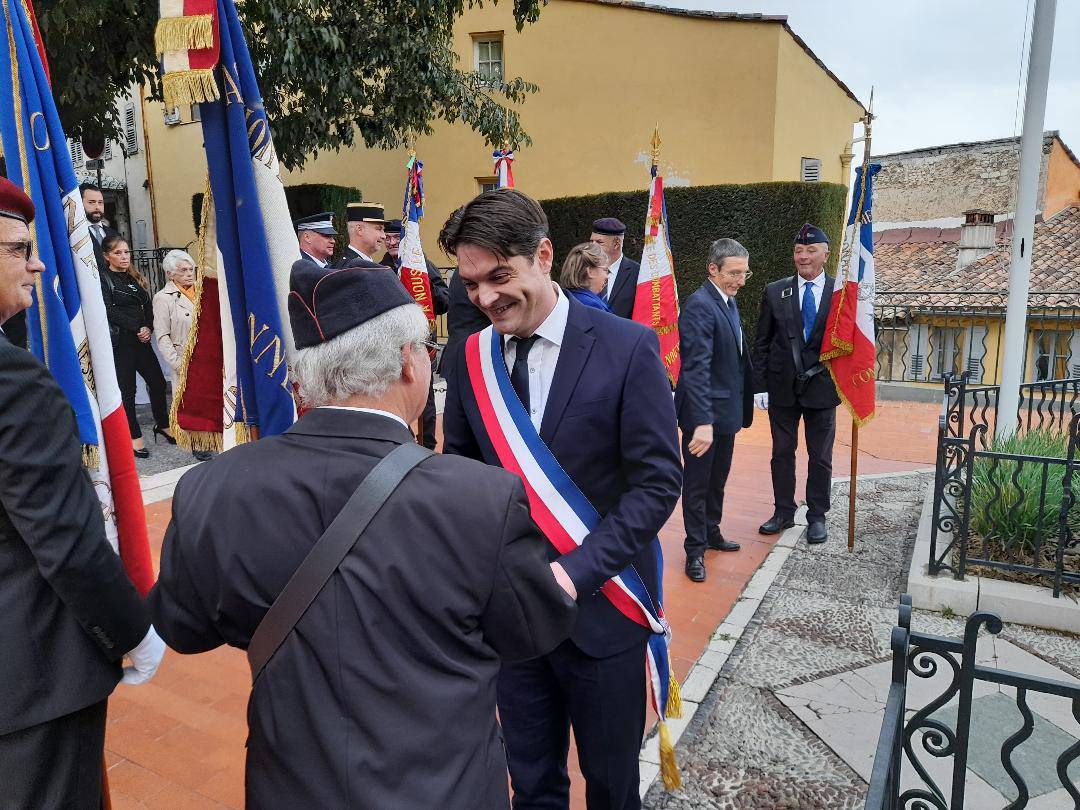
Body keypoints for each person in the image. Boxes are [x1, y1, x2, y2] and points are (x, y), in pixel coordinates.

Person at [150, 257, 577, 808]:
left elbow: (183, 628)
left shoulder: (210, 488)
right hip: (445, 792)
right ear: (408, 362)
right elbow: (530, 631)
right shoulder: (481, 499)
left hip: (292, 789)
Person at [441, 189, 682, 810]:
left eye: (499, 277)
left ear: (543, 256)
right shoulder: (469, 358)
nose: (485, 298)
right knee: (532, 783)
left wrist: (575, 573)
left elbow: (657, 482)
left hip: (606, 613)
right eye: (470, 284)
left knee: (610, 784)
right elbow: (462, 477)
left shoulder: (628, 345)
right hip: (514, 619)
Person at [0, 176, 164, 808]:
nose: (38, 262)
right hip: (29, 683)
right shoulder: (15, 382)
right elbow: (65, 540)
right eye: (19, 248)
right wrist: (134, 631)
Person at [752, 223, 840, 545]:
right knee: (782, 452)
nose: (803, 256)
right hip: (782, 388)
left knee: (820, 457)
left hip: (822, 388)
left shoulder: (840, 294)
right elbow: (762, 342)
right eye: (798, 251)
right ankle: (783, 512)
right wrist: (759, 386)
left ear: (825, 255)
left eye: (810, 250)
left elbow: (851, 343)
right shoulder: (776, 291)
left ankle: (817, 515)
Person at [674, 239, 754, 582]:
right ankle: (694, 550)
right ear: (713, 269)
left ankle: (711, 531)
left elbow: (733, 359)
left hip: (726, 413)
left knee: (717, 480)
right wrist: (703, 423)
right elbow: (697, 368)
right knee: (697, 484)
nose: (740, 280)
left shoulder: (727, 301)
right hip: (702, 418)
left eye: (744, 273)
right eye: (734, 273)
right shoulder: (699, 305)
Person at [380, 218, 450, 450]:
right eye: (387, 238)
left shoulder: (422, 266)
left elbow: (444, 300)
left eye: (396, 238)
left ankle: (427, 444)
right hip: (389, 346)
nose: (391, 242)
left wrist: (423, 290)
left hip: (420, 345)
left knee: (426, 399)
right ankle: (402, 441)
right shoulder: (380, 269)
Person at [99, 234, 171, 457]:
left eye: (126, 252)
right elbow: (109, 310)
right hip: (123, 342)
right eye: (118, 253)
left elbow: (147, 306)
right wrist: (137, 328)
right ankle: (134, 436)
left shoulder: (134, 278)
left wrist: (148, 327)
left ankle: (162, 424)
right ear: (107, 256)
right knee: (128, 391)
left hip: (142, 340)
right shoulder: (105, 278)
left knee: (158, 383)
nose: (124, 257)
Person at [152, 249, 212, 462]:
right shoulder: (163, 298)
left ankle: (215, 437)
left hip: (209, 355)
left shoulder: (203, 291)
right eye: (183, 270)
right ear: (170, 274)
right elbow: (162, 336)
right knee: (191, 402)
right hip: (184, 358)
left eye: (191, 269)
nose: (189, 273)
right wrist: (178, 363)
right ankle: (197, 443)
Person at [589, 217, 640, 319]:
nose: (592, 247)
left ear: (616, 243)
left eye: (599, 242)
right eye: (591, 241)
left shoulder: (638, 273)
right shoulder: (585, 271)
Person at [559, 242, 612, 313]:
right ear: (590, 271)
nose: (607, 276)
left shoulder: (562, 298)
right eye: (605, 270)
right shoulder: (593, 306)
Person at [81, 183, 120, 272]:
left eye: (100, 202)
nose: (97, 207)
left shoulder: (115, 235)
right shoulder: (75, 235)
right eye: (91, 202)